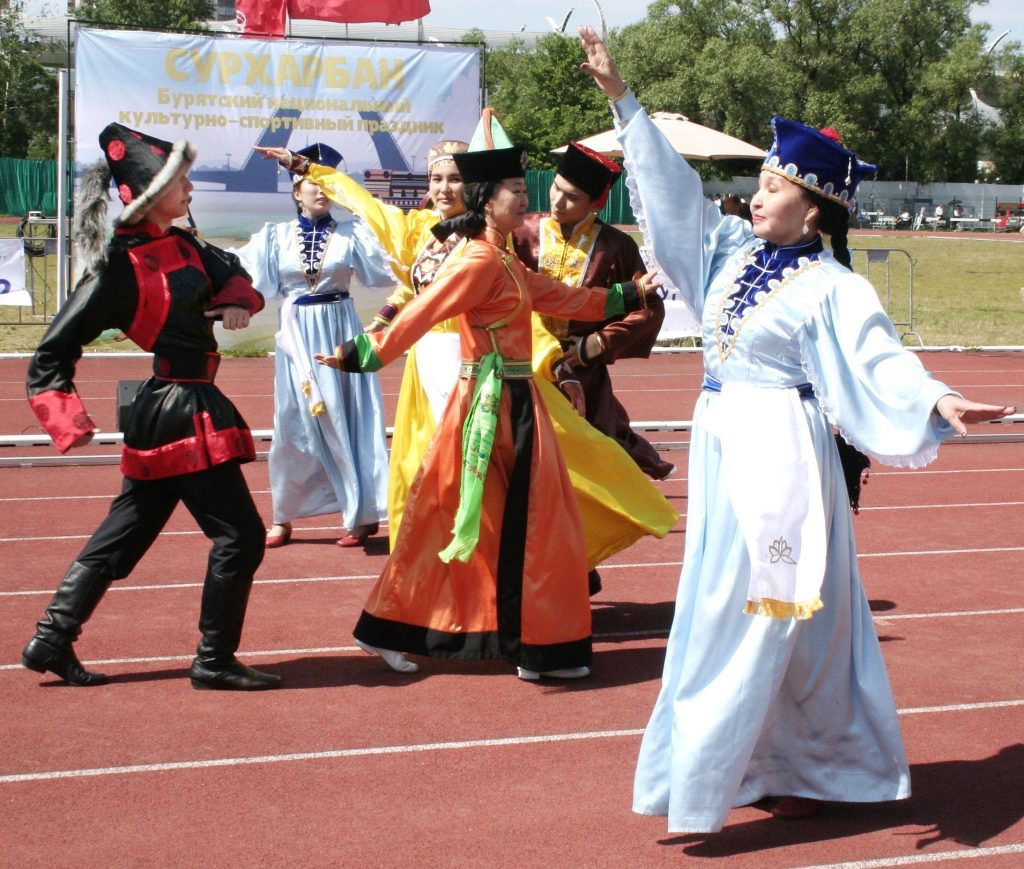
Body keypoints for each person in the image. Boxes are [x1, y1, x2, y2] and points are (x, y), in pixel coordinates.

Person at [578, 26, 1015, 833]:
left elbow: (878, 357)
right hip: (723, 440)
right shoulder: (729, 253)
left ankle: (712, 780)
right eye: (761, 180)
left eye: (774, 185)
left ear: (811, 205)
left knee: (745, 609)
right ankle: (807, 763)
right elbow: (671, 194)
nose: (757, 192)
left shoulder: (830, 285)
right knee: (785, 617)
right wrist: (622, 98)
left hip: (780, 452)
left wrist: (936, 401)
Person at [311, 112, 661, 680]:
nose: (527, 199)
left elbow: (562, 299)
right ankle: (410, 631)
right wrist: (364, 353)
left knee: (522, 523)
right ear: (489, 198)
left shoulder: (502, 257)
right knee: (457, 517)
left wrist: (627, 292)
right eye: (517, 191)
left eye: (526, 190)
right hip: (487, 405)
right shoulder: (476, 259)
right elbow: (422, 312)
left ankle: (533, 643)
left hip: (515, 402)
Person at [256, 135, 677, 570]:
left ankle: (523, 571)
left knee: (517, 475)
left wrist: (566, 350)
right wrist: (305, 167)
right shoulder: (418, 231)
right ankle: (437, 574)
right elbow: (371, 216)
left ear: (476, 189)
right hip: (428, 371)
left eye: (454, 179)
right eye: (436, 178)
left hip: (480, 370)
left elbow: (534, 303)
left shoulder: (489, 250)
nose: (443, 188)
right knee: (425, 477)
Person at [22, 122, 280, 691]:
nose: (191, 188)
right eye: (181, 180)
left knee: (126, 534)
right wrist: (67, 419)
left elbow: (237, 277)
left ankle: (51, 638)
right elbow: (51, 350)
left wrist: (236, 304)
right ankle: (214, 660)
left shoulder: (186, 243)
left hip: (175, 406)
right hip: (180, 408)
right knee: (241, 537)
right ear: (148, 193)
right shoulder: (117, 266)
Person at [236, 142, 395, 549]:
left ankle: (359, 515)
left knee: (348, 417)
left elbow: (383, 271)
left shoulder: (351, 232)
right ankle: (283, 516)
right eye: (310, 181)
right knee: (293, 422)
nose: (319, 190)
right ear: (295, 190)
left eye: (326, 182)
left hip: (340, 325)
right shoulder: (274, 237)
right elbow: (244, 272)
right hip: (296, 335)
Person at [512, 141, 674, 480]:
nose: (557, 201)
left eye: (572, 197)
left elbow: (649, 308)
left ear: (595, 203)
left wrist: (595, 345)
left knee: (591, 467)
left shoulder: (616, 246)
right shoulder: (521, 233)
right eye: (556, 188)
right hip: (524, 367)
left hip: (582, 372)